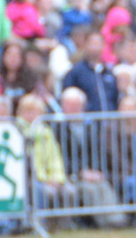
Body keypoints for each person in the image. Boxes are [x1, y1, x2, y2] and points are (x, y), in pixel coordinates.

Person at [54, 85, 126, 227]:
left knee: (103, 185)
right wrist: (80, 172)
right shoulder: (56, 128)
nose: (73, 109)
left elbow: (98, 153)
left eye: (76, 105)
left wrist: (96, 171)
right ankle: (103, 223)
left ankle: (117, 220)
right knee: (89, 189)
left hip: (90, 173)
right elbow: (59, 158)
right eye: (69, 105)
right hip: (71, 175)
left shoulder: (91, 127)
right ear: (62, 106)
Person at [17, 93, 79, 220]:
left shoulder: (46, 132)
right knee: (46, 192)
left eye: (36, 111)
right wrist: (44, 179)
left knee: (69, 191)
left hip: (50, 176)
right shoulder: (17, 131)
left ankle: (63, 226)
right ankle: (40, 223)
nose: (32, 115)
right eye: (28, 111)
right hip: (31, 178)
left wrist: (57, 178)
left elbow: (54, 158)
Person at [63, 28, 119, 113]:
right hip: (88, 122)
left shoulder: (109, 72)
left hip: (110, 122)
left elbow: (115, 97)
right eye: (92, 43)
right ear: (85, 45)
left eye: (98, 43)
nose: (95, 47)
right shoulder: (76, 71)